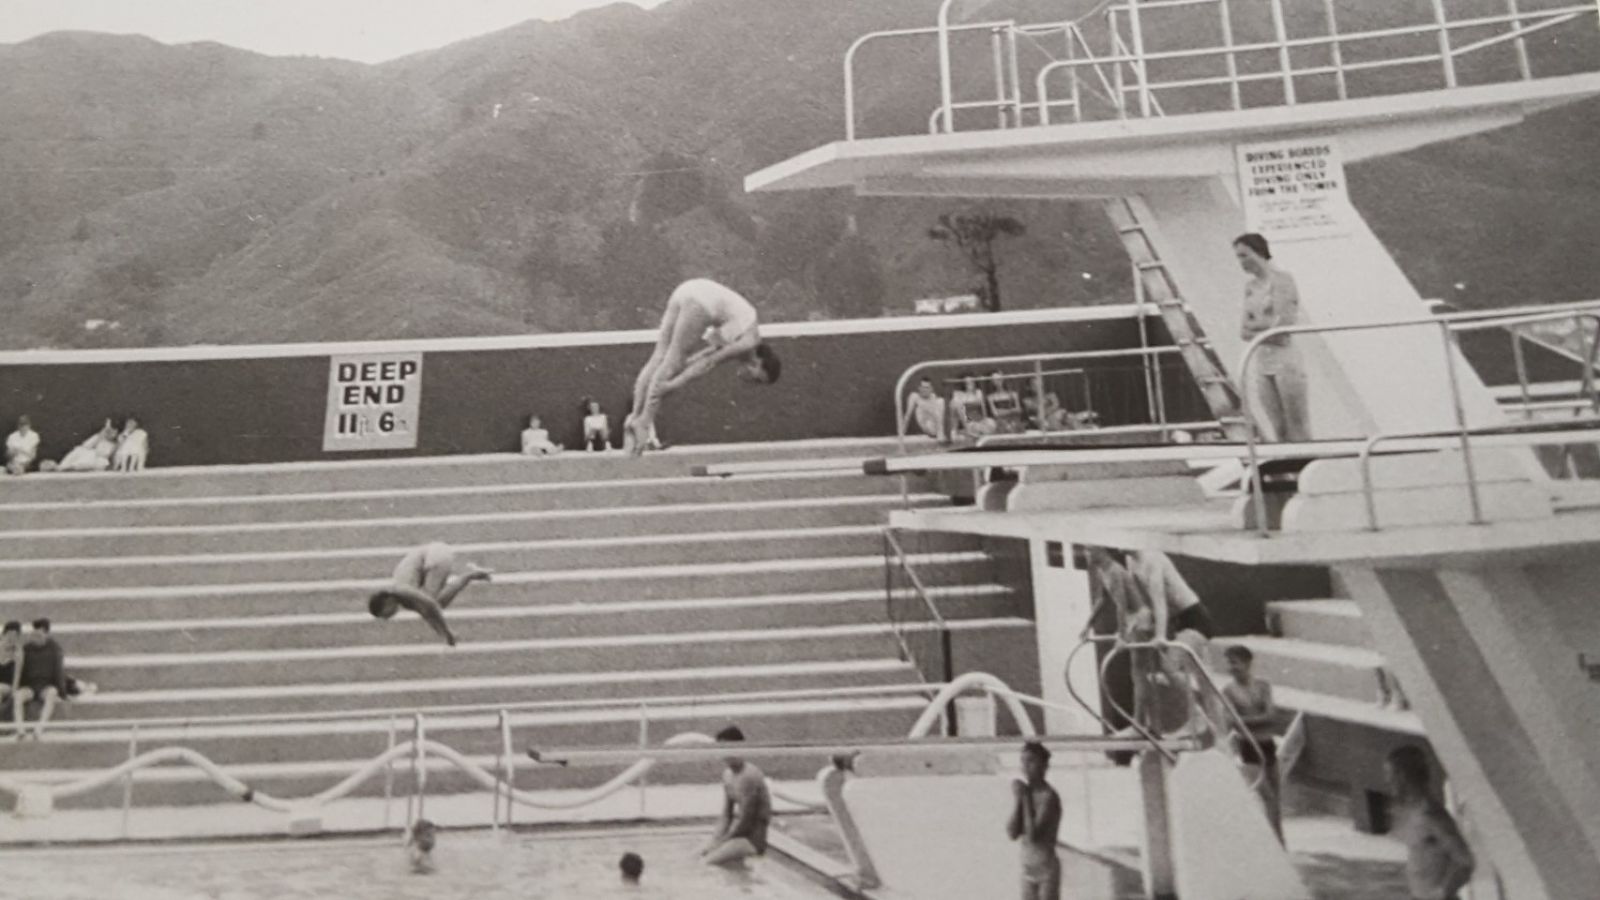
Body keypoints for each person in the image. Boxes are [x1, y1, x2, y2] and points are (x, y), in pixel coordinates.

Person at [623, 278, 780, 456]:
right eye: (757, 379)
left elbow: (704, 356)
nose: (751, 382)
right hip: (702, 300)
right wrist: (673, 384)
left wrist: (682, 368)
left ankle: (634, 416)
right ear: (759, 364)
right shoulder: (749, 342)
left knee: (660, 357)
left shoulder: (743, 332)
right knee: (672, 361)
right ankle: (644, 421)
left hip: (687, 290)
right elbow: (709, 363)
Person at [1235, 233, 1310, 443]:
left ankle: (1309, 468)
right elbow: (1243, 331)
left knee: (1297, 424)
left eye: (1244, 255)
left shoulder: (1282, 280)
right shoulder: (1250, 287)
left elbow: (1283, 330)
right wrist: (1267, 326)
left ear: (1258, 253)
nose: (1241, 262)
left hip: (1285, 361)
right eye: (1238, 257)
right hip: (1262, 360)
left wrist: (1257, 327)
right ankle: (1289, 472)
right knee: (1278, 427)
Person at [1386, 745, 1475, 900]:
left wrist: (1443, 893)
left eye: (1392, 774)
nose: (1389, 781)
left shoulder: (1432, 816)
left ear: (1405, 776)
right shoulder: (1409, 811)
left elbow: (1465, 861)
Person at [367, 542, 493, 647]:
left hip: (435, 555)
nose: (389, 617)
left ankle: (469, 574)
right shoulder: (404, 600)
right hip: (435, 556)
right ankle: (470, 575)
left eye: (385, 614)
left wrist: (446, 630)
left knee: (434, 602)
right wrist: (443, 634)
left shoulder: (401, 589)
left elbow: (431, 605)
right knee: (435, 604)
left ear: (387, 601)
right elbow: (425, 614)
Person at [1220, 645, 1283, 843]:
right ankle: (1273, 841)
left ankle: (1279, 840)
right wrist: (1258, 718)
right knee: (1268, 797)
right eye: (1229, 663)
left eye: (1235, 663)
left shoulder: (1263, 685)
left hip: (1267, 744)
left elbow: (1272, 716)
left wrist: (1244, 720)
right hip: (1249, 748)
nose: (1231, 668)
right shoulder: (1228, 691)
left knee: (1276, 798)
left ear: (1247, 663)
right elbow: (1230, 722)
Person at [699, 725, 771, 866]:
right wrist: (716, 838)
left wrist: (722, 842)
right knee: (698, 854)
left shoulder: (750, 777)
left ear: (740, 748)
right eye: (721, 749)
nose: (725, 754)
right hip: (736, 838)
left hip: (751, 841)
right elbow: (726, 814)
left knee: (706, 863)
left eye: (728, 749)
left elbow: (746, 822)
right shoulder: (728, 775)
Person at [1007, 739, 1062, 900]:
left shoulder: (1049, 796)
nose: (1025, 767)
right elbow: (1011, 832)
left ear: (1044, 766)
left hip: (1046, 868)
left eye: (1031, 761)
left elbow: (1033, 835)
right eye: (1023, 761)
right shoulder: (1025, 793)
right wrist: (1018, 801)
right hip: (1027, 867)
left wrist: (1024, 798)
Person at [1126, 550, 1216, 639]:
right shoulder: (1130, 560)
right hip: (1173, 621)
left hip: (1194, 619)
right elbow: (1140, 600)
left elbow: (1159, 602)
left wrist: (1160, 636)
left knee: (1175, 652)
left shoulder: (1153, 559)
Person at [14, 618, 67, 741]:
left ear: (46, 633)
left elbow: (58, 671)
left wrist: (63, 693)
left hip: (46, 686)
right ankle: (20, 730)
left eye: (41, 632)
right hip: (30, 686)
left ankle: (39, 729)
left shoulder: (55, 649)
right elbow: (20, 669)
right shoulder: (26, 648)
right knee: (18, 696)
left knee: (52, 693)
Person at [902, 377, 948, 442]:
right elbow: (907, 415)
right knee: (922, 406)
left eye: (927, 387)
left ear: (931, 389)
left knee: (941, 401)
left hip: (936, 425)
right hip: (927, 425)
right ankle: (941, 433)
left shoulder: (933, 396)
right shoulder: (915, 397)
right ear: (919, 388)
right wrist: (902, 433)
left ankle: (950, 431)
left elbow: (937, 415)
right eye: (923, 387)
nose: (924, 390)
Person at [950, 373, 994, 440]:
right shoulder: (958, 393)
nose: (969, 384)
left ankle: (975, 432)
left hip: (979, 419)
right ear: (963, 383)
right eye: (967, 382)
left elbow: (981, 406)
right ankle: (957, 430)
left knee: (991, 423)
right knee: (955, 404)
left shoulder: (978, 392)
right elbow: (956, 406)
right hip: (967, 420)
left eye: (971, 382)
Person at [0, 622, 23, 737]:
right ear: (4, 634)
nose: (11, 638)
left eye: (15, 635)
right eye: (9, 634)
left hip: (8, 687)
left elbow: (16, 677)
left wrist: (13, 693)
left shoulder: (18, 653)